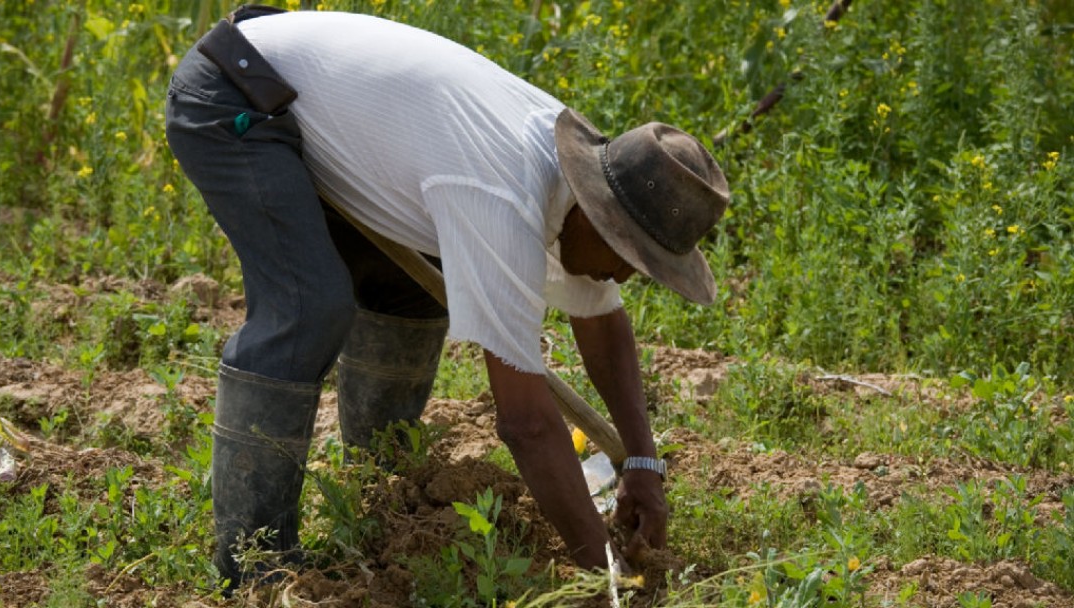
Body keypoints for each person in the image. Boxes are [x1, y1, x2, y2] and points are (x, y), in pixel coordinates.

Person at [165, 5, 729, 592]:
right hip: (239, 91)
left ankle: (380, 491)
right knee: (309, 308)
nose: (625, 274)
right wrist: (601, 575)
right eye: (626, 253)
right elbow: (526, 423)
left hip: (313, 100)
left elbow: (603, 323)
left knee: (412, 291)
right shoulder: (501, 197)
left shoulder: (586, 177)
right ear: (596, 211)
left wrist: (642, 461)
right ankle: (252, 565)